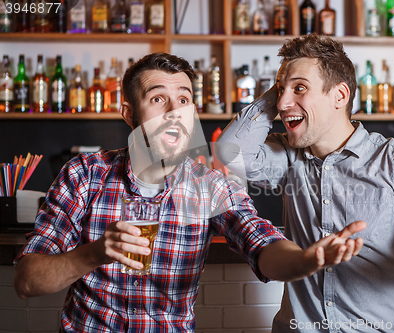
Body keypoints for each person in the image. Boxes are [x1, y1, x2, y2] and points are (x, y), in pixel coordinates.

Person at [14, 52, 367, 332]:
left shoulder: (209, 186)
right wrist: (93, 254)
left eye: (183, 100)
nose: (174, 112)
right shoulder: (84, 174)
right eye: (157, 99)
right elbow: (27, 280)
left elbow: (262, 242)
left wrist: (307, 260)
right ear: (129, 113)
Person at [216, 34, 394, 332]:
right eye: (280, 90)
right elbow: (229, 151)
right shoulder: (287, 155)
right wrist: (284, 86)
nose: (282, 103)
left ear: (340, 96)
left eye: (299, 88)